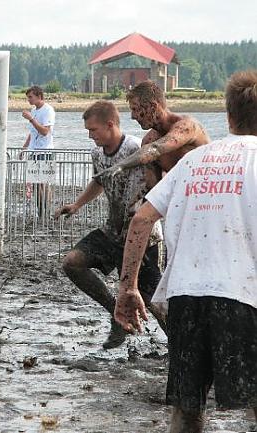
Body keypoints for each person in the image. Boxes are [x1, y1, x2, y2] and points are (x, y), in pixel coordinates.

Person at [115, 70, 257, 432]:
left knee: (187, 410)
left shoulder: (194, 160)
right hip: (242, 296)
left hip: (185, 295)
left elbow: (142, 220)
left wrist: (128, 287)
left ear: (227, 117)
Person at [54, 101, 165, 349]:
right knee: (72, 262)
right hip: (112, 232)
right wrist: (77, 205)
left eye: (93, 130)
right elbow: (99, 181)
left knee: (152, 300)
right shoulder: (97, 154)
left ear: (110, 124)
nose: (90, 135)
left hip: (142, 236)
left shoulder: (136, 148)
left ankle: (180, 344)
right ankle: (115, 312)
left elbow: (158, 184)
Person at [95, 80, 209, 187]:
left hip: (211, 193)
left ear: (153, 107)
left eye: (135, 109)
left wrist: (121, 165)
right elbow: (153, 188)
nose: (133, 116)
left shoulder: (187, 127)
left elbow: (156, 149)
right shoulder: (148, 141)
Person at [21, 85, 56, 216]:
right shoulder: (34, 110)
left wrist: (31, 119)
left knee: (43, 182)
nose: (29, 100)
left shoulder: (48, 110)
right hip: (33, 151)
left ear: (39, 96)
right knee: (35, 183)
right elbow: (32, 132)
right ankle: (41, 211)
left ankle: (45, 211)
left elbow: (45, 131)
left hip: (45, 151)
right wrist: (24, 148)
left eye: (31, 97)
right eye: (28, 97)